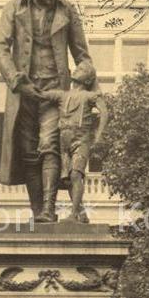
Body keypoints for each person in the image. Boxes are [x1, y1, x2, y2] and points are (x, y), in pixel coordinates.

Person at [0, 0, 93, 222]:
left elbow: (83, 55)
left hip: (55, 90)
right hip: (23, 91)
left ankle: (49, 209)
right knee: (28, 152)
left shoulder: (68, 12)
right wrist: (16, 79)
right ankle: (38, 211)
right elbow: (2, 50)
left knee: (49, 146)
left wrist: (85, 78)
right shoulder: (14, 9)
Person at [41, 61, 108, 223]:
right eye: (78, 68)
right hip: (65, 143)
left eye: (83, 69)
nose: (78, 69)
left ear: (88, 80)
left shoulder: (91, 96)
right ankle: (82, 213)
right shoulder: (62, 95)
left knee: (76, 174)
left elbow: (104, 112)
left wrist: (99, 135)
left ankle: (73, 214)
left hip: (81, 140)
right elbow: (40, 94)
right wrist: (24, 84)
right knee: (69, 178)